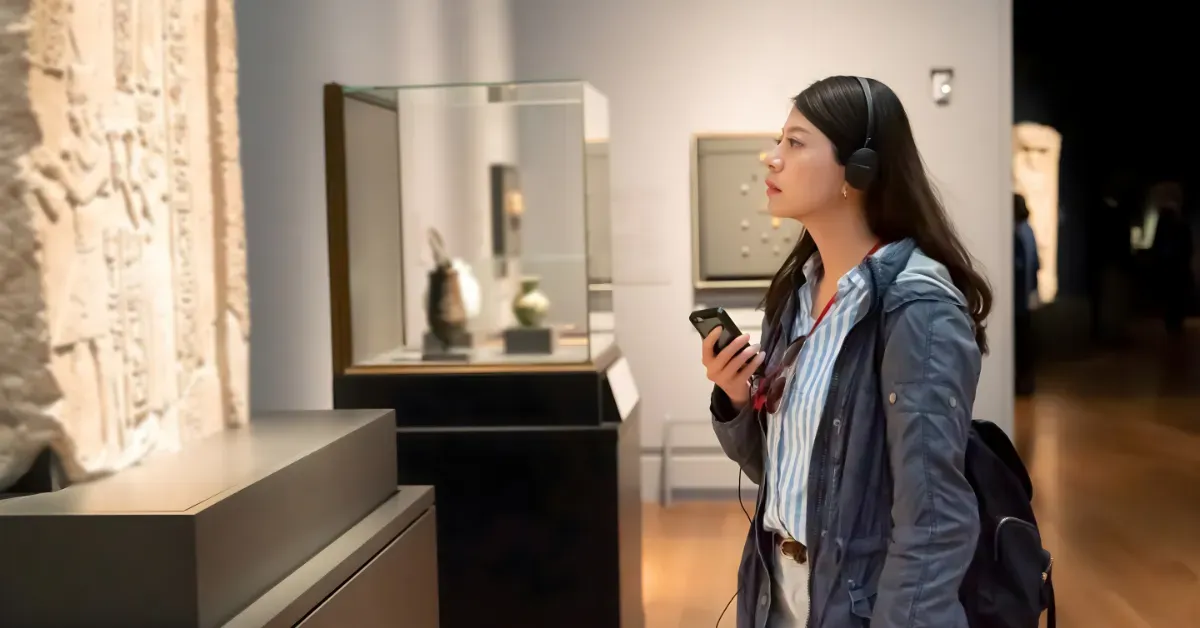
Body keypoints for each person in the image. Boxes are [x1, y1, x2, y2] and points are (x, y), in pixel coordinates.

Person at [701, 76, 991, 627]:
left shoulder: (918, 308)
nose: (773, 158)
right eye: (777, 141)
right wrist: (738, 400)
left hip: (864, 606)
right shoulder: (797, 295)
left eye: (795, 142)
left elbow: (933, 519)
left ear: (856, 171)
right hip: (775, 592)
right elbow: (786, 474)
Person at [1014, 193, 1039, 395]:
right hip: (1025, 298)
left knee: (1021, 343)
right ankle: (1026, 382)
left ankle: (1022, 383)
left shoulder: (1016, 234)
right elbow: (1035, 263)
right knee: (1026, 341)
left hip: (1018, 300)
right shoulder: (1028, 231)